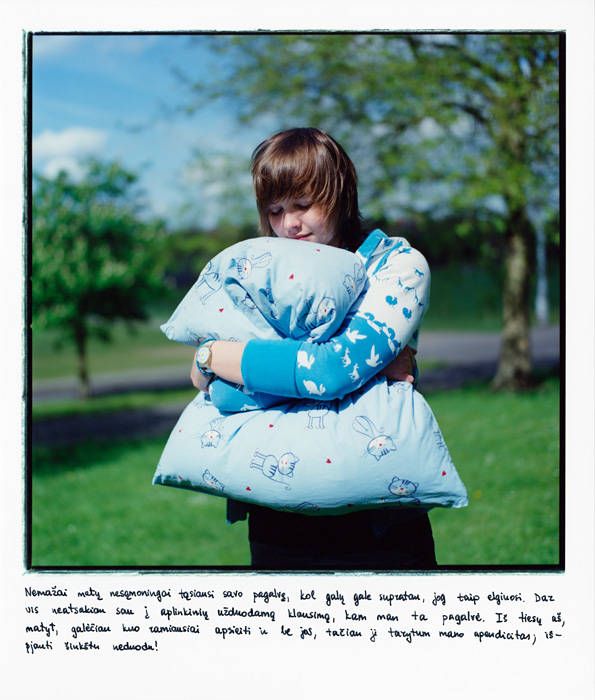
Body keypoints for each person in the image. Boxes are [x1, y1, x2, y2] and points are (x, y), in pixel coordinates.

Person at [191, 127, 437, 570]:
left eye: (303, 204)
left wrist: (239, 365)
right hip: (274, 521)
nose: (289, 224)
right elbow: (214, 388)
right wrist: (209, 357)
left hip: (377, 521)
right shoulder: (258, 277)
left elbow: (329, 372)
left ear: (340, 193)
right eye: (275, 210)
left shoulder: (397, 266)